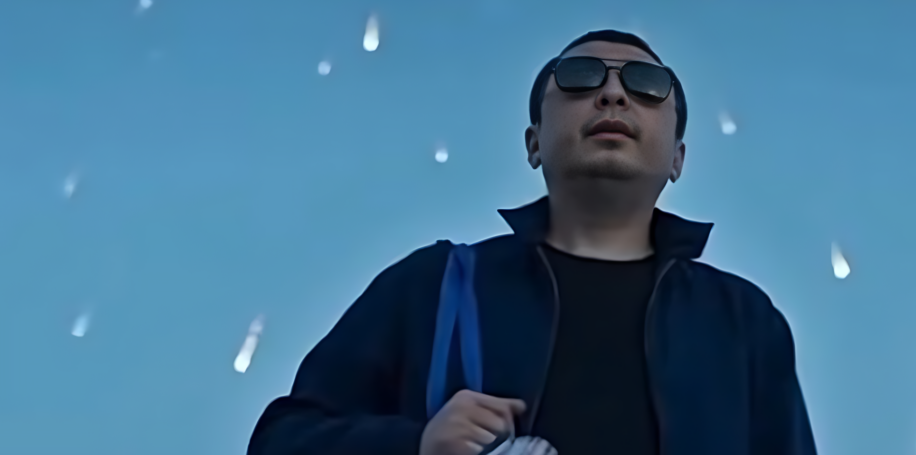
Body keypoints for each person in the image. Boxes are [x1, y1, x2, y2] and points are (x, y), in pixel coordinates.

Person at [249, 30, 817, 455]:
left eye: (647, 85)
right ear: (534, 143)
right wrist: (415, 444)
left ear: (678, 159)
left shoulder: (744, 321)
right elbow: (282, 440)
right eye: (578, 77)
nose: (612, 94)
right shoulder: (434, 287)